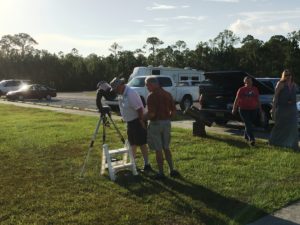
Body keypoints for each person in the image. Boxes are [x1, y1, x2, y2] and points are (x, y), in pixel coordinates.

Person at [109, 77, 152, 171]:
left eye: (116, 89)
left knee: (142, 143)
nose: (115, 91)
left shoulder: (130, 93)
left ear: (121, 86)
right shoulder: (122, 93)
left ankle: (147, 164)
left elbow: (140, 109)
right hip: (131, 122)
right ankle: (133, 165)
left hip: (137, 121)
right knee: (132, 144)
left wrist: (141, 122)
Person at [145, 76, 180, 179]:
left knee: (158, 149)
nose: (146, 87)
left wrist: (142, 117)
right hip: (167, 123)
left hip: (156, 124)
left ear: (154, 84)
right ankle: (172, 169)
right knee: (166, 147)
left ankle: (161, 173)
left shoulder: (151, 96)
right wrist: (167, 118)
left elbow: (151, 114)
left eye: (147, 85)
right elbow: (173, 112)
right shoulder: (168, 94)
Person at [269, 69, 299, 151]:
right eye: (286, 75)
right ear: (283, 76)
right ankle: (273, 142)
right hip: (282, 108)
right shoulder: (280, 84)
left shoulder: (294, 84)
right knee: (279, 126)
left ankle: (294, 146)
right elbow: (275, 97)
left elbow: (295, 96)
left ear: (291, 75)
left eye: (289, 75)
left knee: (293, 126)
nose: (288, 77)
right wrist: (273, 109)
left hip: (292, 108)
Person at [232, 76, 262, 146]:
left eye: (250, 81)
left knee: (249, 124)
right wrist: (234, 108)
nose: (248, 83)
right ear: (244, 82)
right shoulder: (241, 90)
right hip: (243, 109)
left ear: (252, 82)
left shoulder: (255, 89)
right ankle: (252, 139)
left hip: (253, 109)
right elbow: (236, 100)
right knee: (248, 123)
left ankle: (246, 135)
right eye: (247, 81)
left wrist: (260, 110)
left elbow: (258, 100)